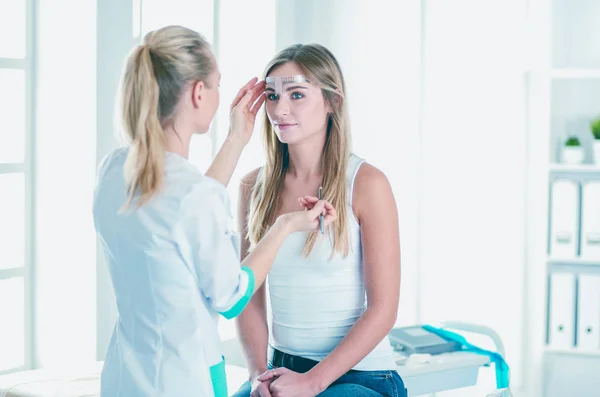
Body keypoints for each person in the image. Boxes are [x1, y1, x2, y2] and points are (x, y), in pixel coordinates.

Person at [92, 26, 336, 397]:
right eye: (218, 85)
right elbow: (233, 297)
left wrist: (237, 138)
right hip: (184, 380)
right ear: (198, 92)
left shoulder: (112, 171)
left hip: (124, 377)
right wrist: (284, 226)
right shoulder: (192, 194)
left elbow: (180, 212)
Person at [233, 43, 407, 397]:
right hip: (281, 368)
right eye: (271, 95)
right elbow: (247, 295)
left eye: (297, 94)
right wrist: (258, 376)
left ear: (333, 102)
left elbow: (383, 309)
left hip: (360, 377)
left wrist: (313, 381)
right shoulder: (253, 186)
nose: (280, 109)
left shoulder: (367, 183)